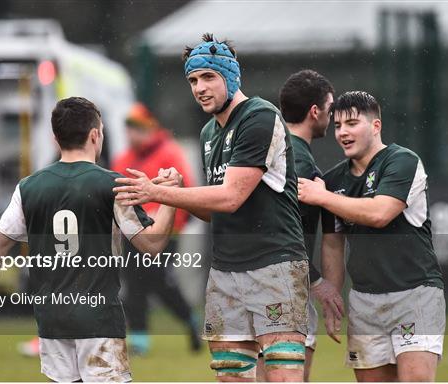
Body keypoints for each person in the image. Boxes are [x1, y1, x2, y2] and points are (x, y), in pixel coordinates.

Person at [114, 33, 310, 382]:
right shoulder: (208, 133)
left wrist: (157, 193)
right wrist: (178, 190)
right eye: (192, 80)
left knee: (283, 375)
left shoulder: (260, 117)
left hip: (273, 267)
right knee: (230, 376)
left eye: (208, 77)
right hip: (225, 273)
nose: (199, 87)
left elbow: (231, 197)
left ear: (231, 77)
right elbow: (216, 208)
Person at [0, 97, 178, 382]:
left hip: (53, 321)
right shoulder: (112, 184)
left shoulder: (28, 187)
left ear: (56, 139)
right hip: (99, 318)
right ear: (95, 135)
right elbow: (151, 245)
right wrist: (171, 197)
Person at [298, 91, 445, 382]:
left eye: (352, 123)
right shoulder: (333, 181)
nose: (343, 132)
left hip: (414, 294)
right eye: (338, 125)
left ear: (375, 126)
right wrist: (332, 298)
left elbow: (380, 213)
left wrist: (323, 198)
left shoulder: (402, 161)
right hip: (364, 303)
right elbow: (333, 244)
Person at [259, 69, 343, 382]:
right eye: (331, 108)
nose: (333, 117)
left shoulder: (265, 155)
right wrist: (318, 281)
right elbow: (281, 237)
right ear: (314, 112)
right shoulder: (301, 165)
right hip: (286, 289)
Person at [111, 102, 201, 354]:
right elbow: (118, 198)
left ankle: (189, 319)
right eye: (129, 129)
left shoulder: (169, 153)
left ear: (150, 128)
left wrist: (164, 219)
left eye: (137, 128)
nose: (132, 134)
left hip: (166, 232)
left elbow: (184, 192)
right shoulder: (124, 158)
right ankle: (139, 339)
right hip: (133, 233)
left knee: (161, 283)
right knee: (134, 282)